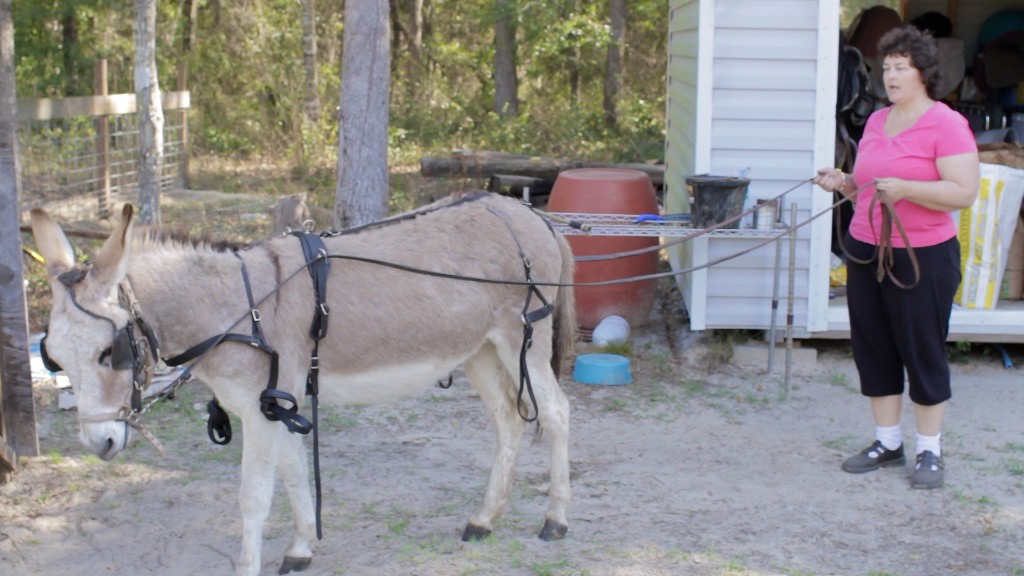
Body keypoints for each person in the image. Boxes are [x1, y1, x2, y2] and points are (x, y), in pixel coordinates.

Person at [813, 25, 980, 490]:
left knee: (922, 350)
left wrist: (909, 190)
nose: (889, 76)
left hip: (923, 256)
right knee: (874, 348)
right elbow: (866, 185)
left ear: (922, 72)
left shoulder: (946, 124)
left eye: (899, 68)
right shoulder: (876, 121)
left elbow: (963, 193)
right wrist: (841, 181)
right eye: (885, 68)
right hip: (867, 250)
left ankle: (930, 449)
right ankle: (888, 443)